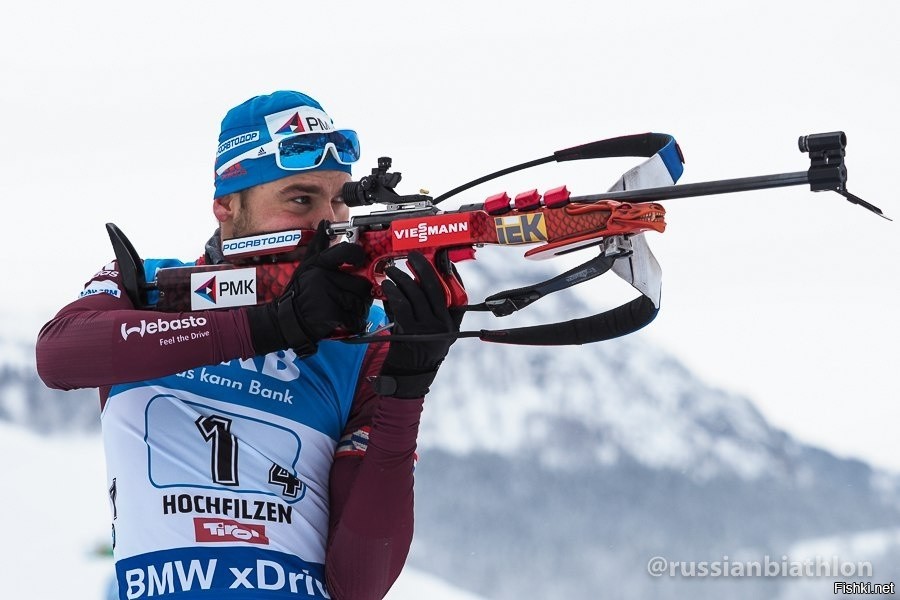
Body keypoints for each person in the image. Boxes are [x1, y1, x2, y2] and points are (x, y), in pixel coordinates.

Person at [36, 90, 462, 600]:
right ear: (227, 206)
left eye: (340, 199)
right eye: (301, 199)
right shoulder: (149, 288)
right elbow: (59, 355)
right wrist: (272, 325)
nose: (329, 223)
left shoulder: (360, 336)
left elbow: (358, 584)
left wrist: (408, 385)